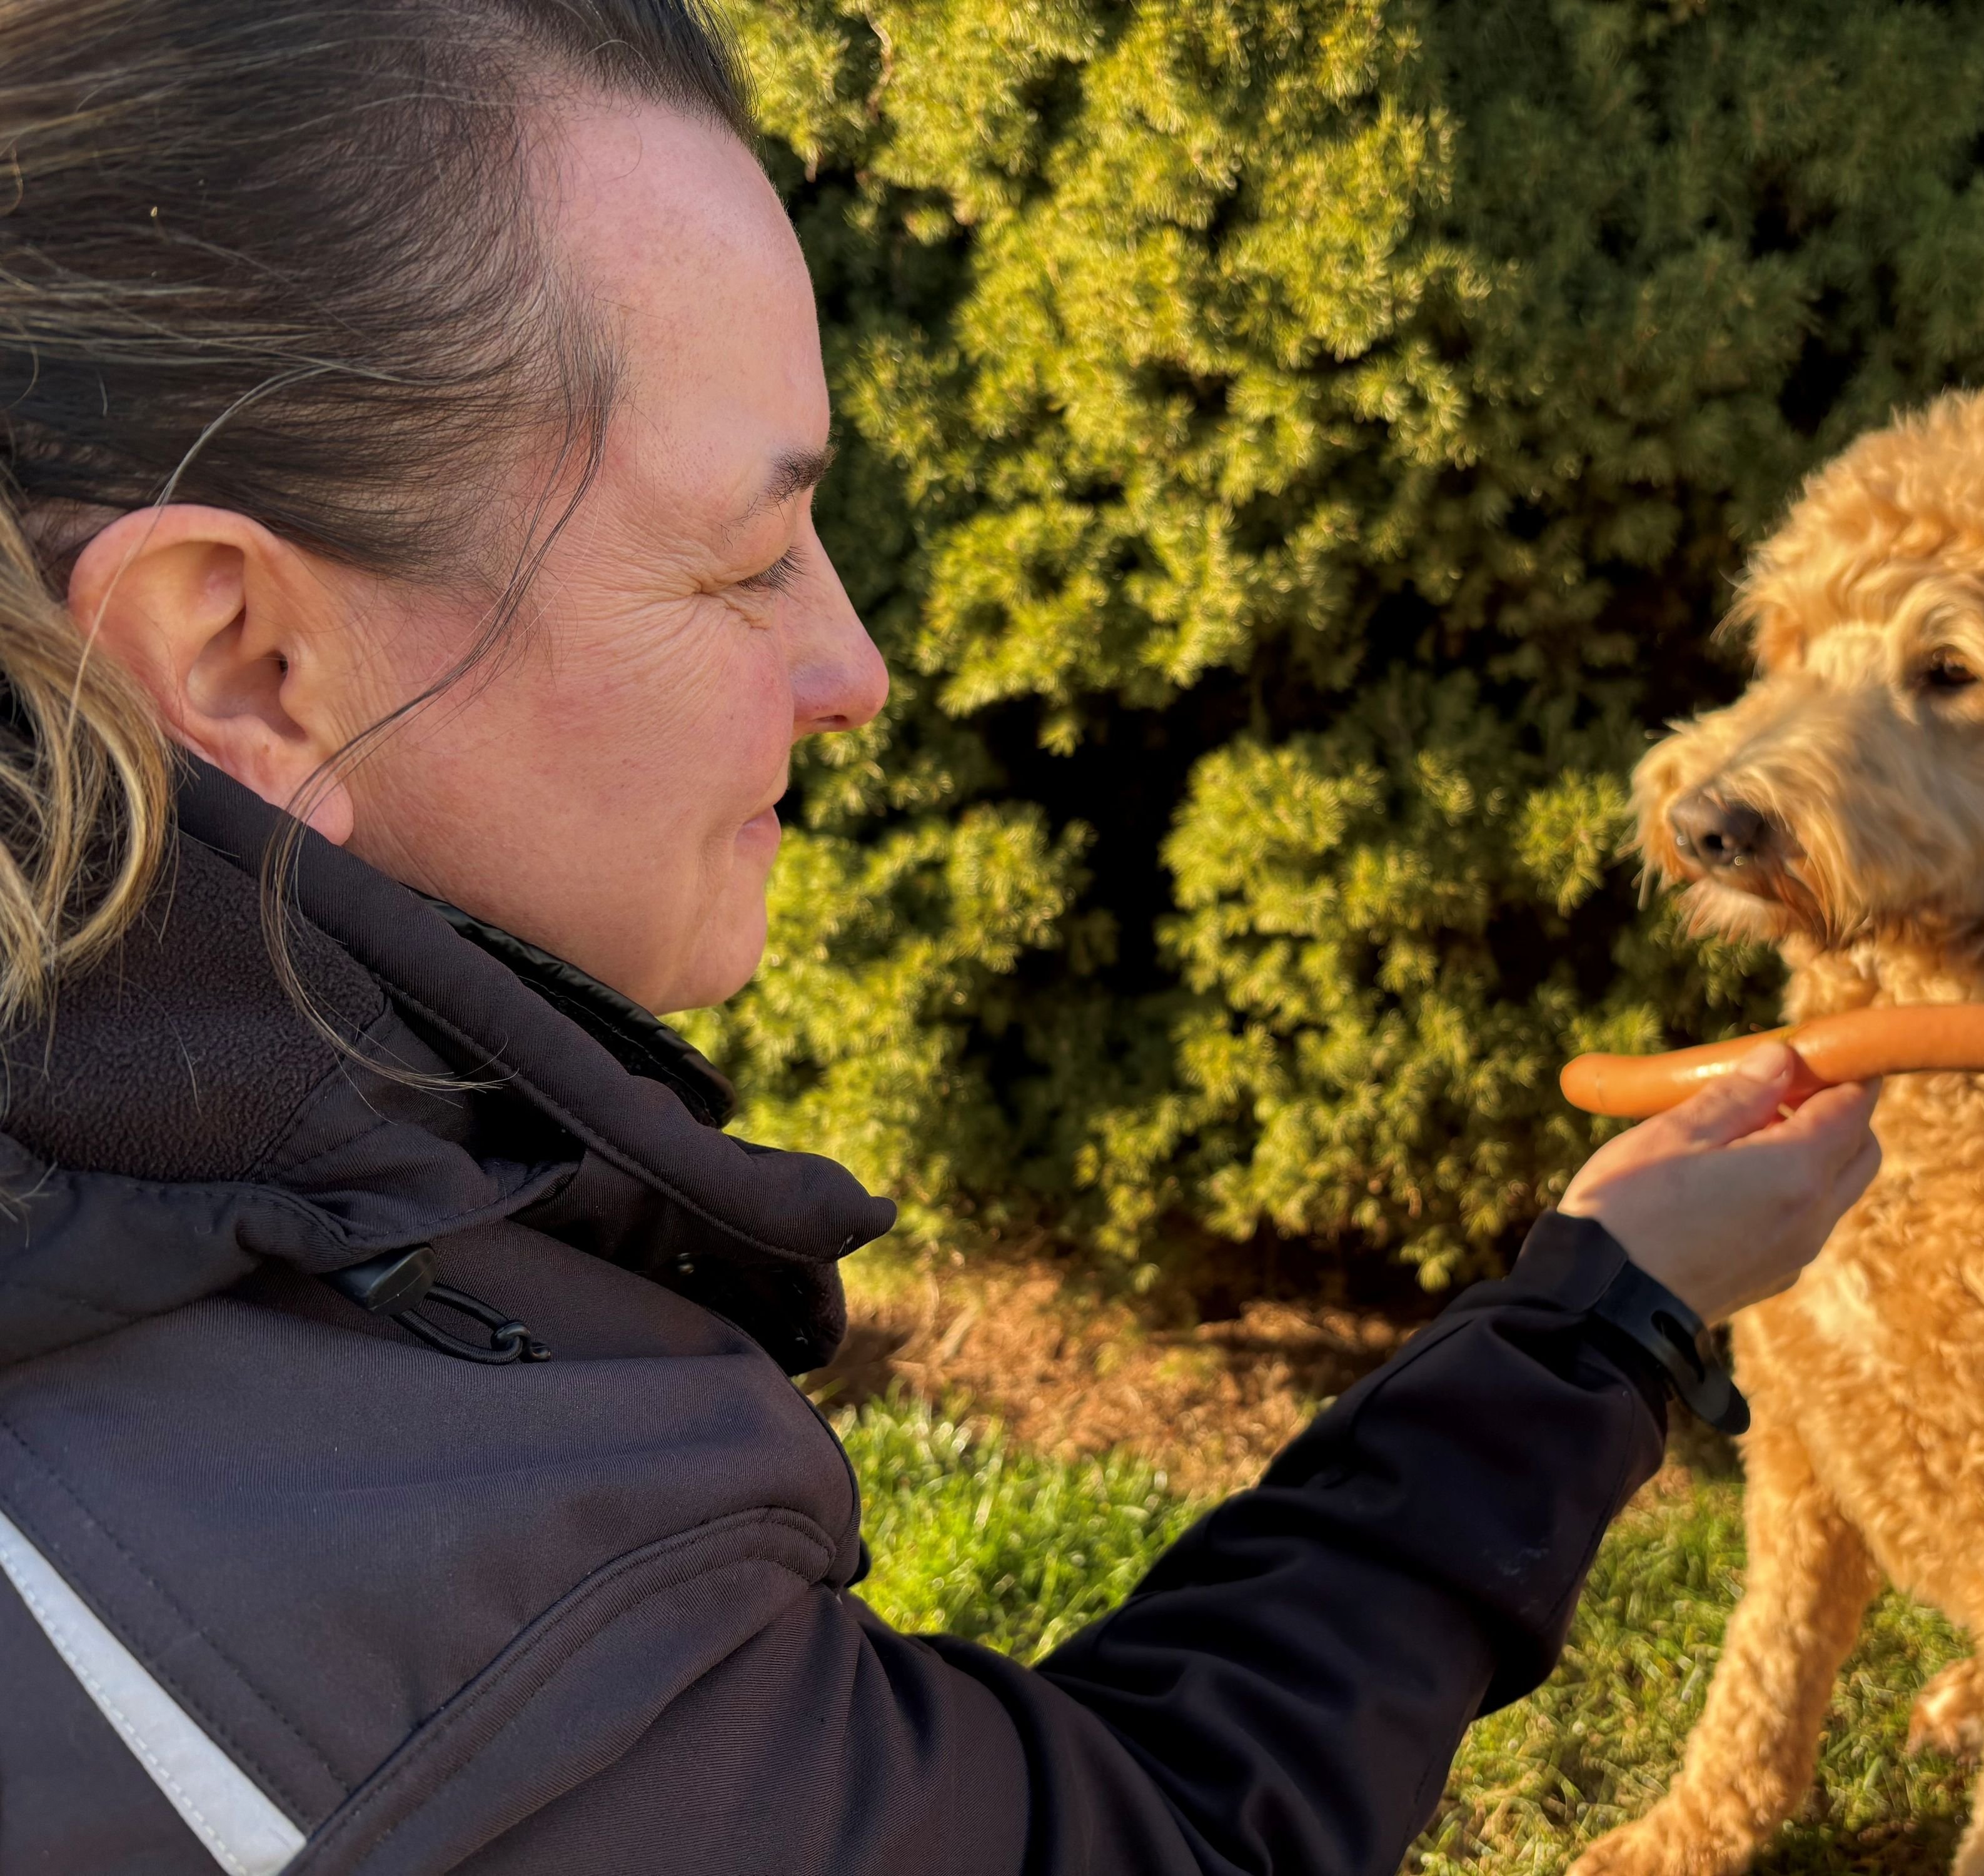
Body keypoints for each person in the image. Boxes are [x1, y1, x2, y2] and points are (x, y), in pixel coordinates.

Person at [0, 4, 1882, 1871]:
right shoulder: (361, 1606)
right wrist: (1603, 1315)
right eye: (744, 563)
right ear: (240, 654)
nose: (856, 672)